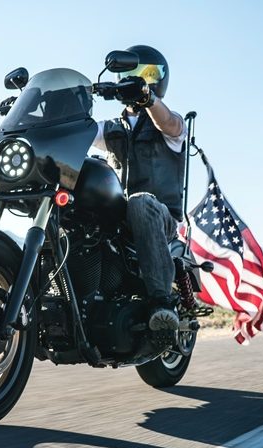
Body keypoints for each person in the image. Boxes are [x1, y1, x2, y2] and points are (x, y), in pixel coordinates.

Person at [92, 45, 187, 332]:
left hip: (160, 217)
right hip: (118, 217)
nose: (135, 79)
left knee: (140, 202)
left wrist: (147, 98)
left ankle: (162, 303)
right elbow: (75, 131)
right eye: (130, 73)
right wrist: (43, 110)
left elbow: (168, 123)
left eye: (144, 74)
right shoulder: (109, 129)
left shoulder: (171, 126)